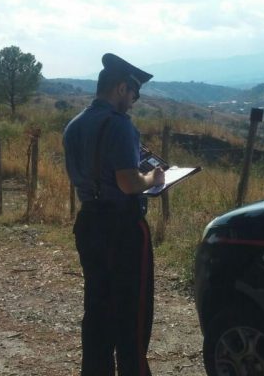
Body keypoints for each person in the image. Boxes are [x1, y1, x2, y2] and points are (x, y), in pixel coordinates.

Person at [63, 53, 165, 376]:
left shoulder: (73, 126)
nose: (134, 101)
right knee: (132, 315)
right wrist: (155, 178)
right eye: (134, 94)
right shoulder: (120, 126)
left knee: (97, 309)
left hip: (89, 224)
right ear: (121, 88)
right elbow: (128, 182)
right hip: (122, 230)